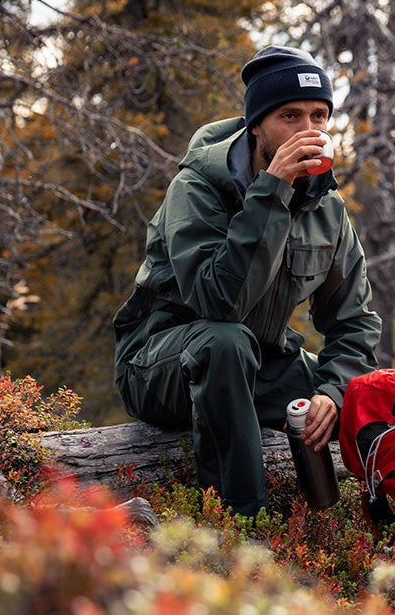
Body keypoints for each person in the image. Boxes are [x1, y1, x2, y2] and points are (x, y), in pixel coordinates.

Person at [112, 45, 381, 517]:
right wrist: (272, 192)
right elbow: (220, 303)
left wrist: (332, 392)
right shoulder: (197, 188)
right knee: (226, 342)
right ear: (256, 124)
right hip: (159, 368)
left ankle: (377, 524)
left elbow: (354, 321)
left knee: (373, 395)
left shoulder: (326, 207)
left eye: (319, 116)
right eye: (289, 116)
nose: (308, 130)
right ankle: (239, 528)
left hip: (257, 362)